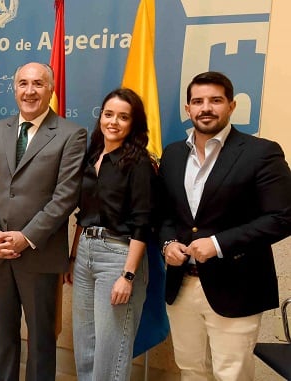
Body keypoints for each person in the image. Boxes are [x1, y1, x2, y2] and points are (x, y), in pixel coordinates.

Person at [159, 71, 291, 380]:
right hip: (182, 286)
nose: (206, 108)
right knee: (191, 369)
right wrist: (167, 243)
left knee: (230, 374)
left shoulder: (261, 152)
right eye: (198, 101)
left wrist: (218, 244)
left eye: (215, 100)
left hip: (238, 286)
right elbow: (164, 214)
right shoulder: (174, 154)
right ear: (188, 109)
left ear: (231, 106)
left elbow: (283, 217)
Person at [0, 62, 87, 381]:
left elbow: (66, 196)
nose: (30, 91)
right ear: (14, 88)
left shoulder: (71, 134)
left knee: (40, 342)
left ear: (50, 90)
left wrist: (26, 237)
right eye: (23, 83)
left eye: (38, 84)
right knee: (4, 339)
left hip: (39, 254)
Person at [65, 88, 157, 380]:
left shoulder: (139, 162)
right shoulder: (92, 155)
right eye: (108, 114)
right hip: (85, 256)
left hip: (118, 257)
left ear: (134, 123)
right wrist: (74, 255)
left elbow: (143, 222)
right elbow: (84, 213)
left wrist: (127, 276)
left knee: (110, 352)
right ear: (100, 117)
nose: (113, 122)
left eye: (123, 117)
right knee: (85, 348)